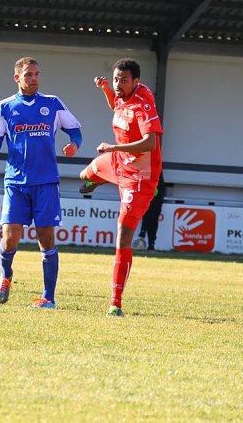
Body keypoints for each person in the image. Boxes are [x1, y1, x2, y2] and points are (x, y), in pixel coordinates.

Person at [0, 57, 82, 309]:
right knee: (10, 236)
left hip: (46, 181)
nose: (34, 78)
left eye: (37, 74)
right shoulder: (4, 107)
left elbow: (75, 130)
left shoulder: (52, 103)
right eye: (28, 75)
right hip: (16, 181)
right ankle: (6, 275)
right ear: (17, 78)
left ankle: (49, 297)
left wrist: (74, 144)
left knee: (46, 237)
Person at [79, 58, 163, 316]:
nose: (118, 84)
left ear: (136, 81)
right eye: (116, 79)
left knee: (123, 234)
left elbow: (149, 143)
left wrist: (114, 147)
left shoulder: (143, 102)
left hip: (139, 176)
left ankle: (115, 302)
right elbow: (116, 105)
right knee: (84, 175)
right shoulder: (121, 95)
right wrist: (106, 89)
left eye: (123, 80)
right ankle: (100, 178)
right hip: (118, 162)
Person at [135, 174, 166, 250]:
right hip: (148, 198)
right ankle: (143, 234)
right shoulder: (147, 172)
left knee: (153, 220)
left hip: (156, 200)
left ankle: (151, 243)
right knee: (147, 216)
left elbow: (161, 188)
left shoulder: (158, 173)